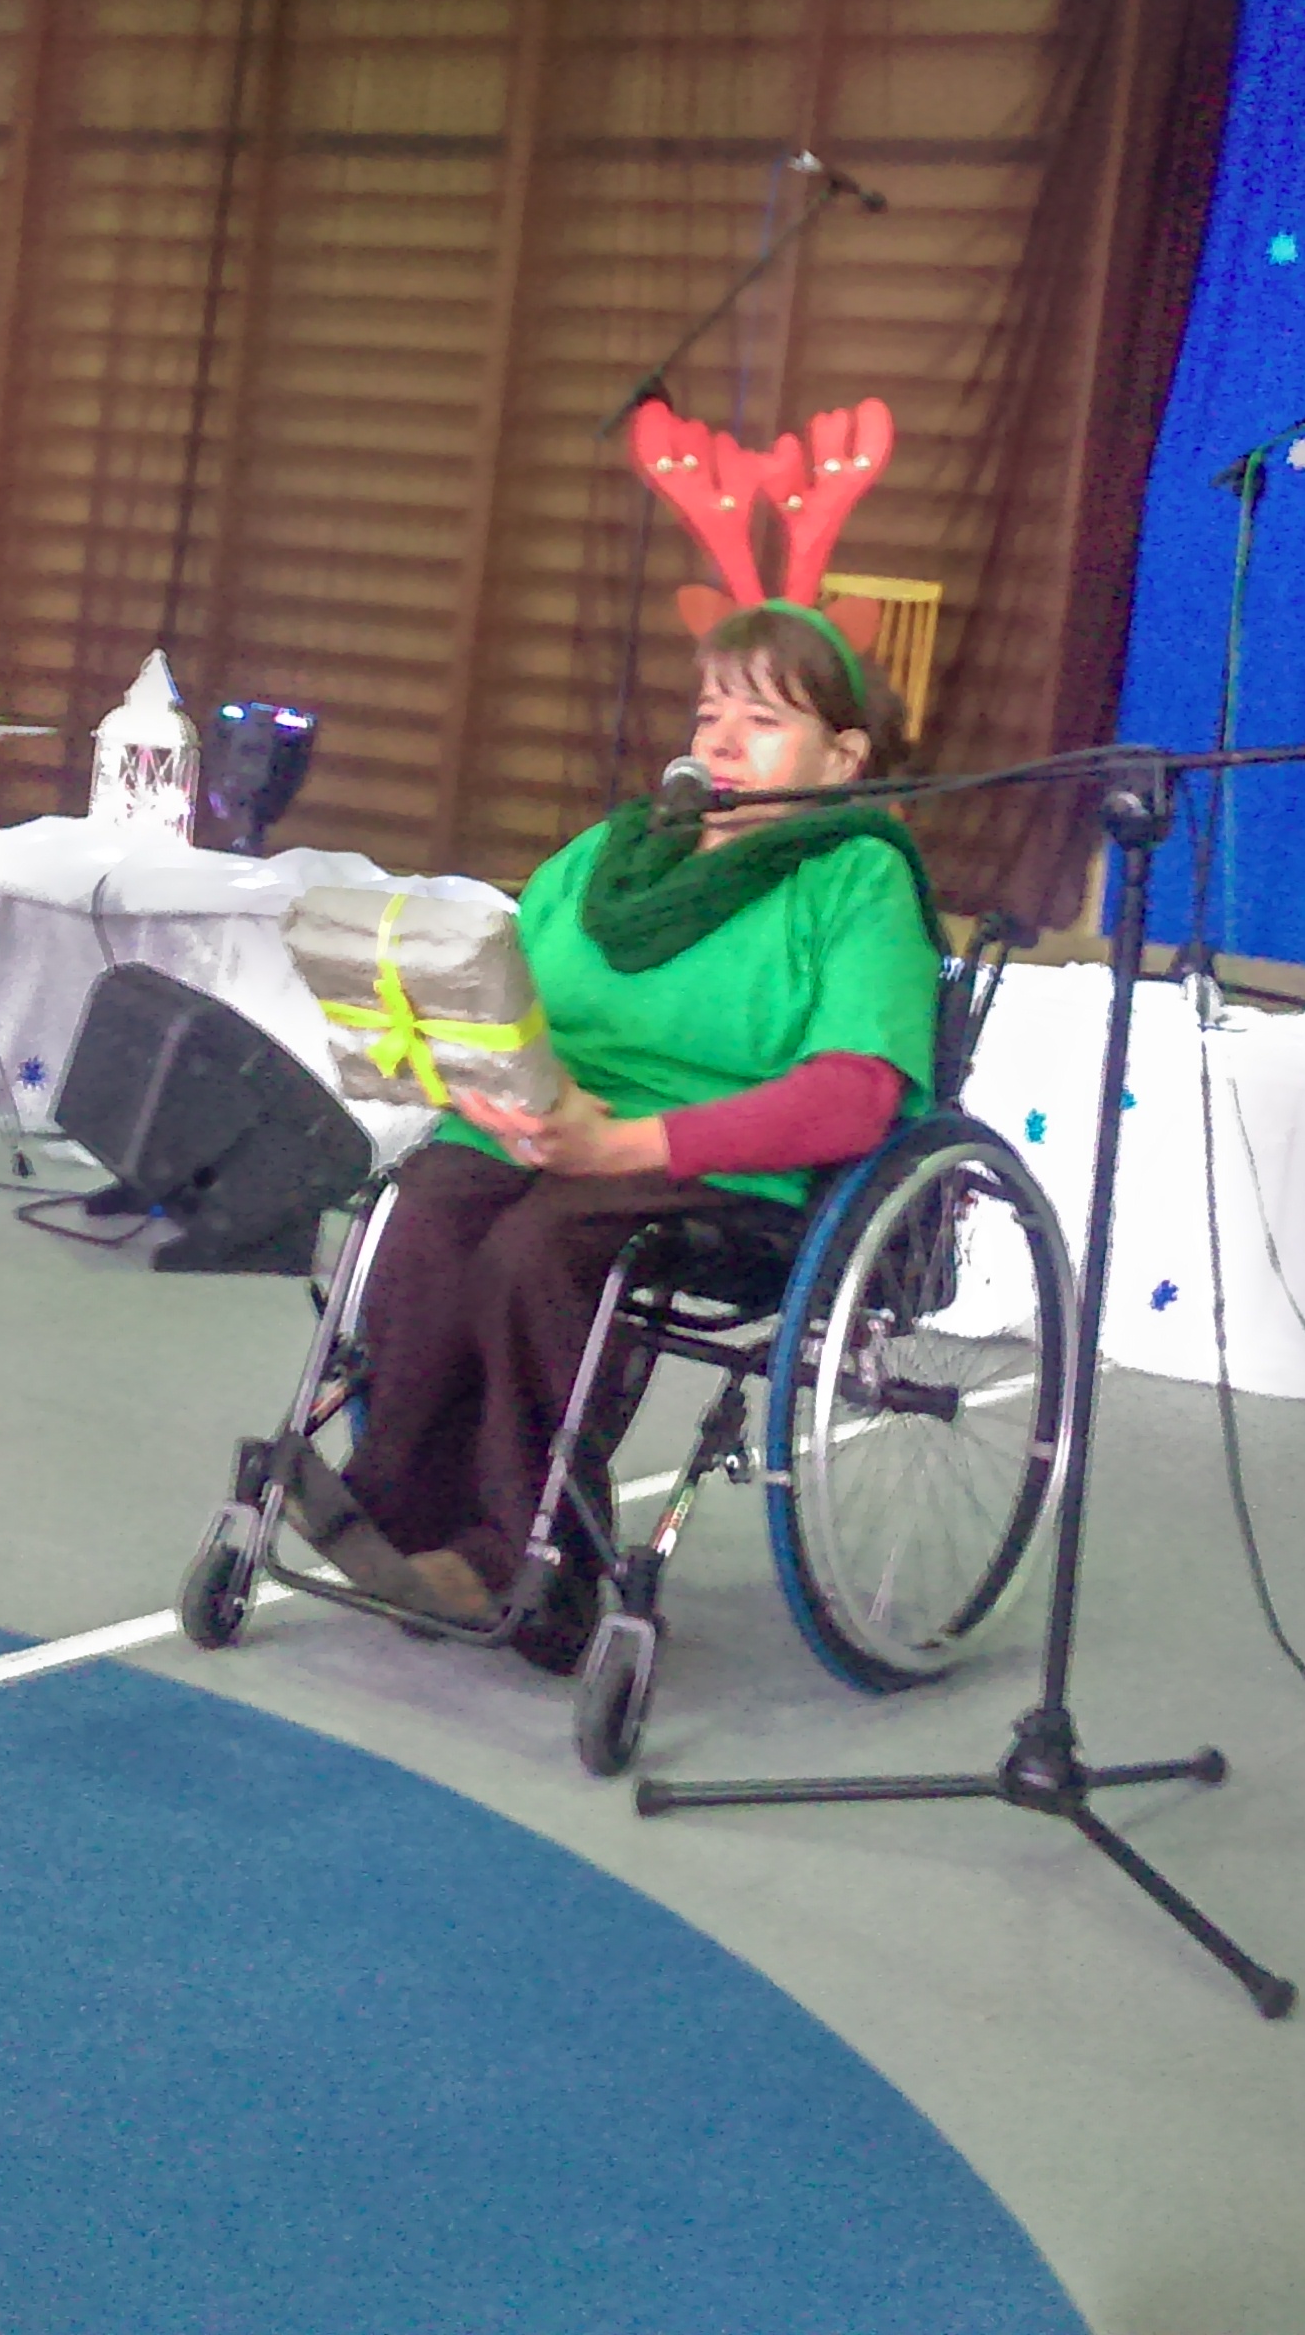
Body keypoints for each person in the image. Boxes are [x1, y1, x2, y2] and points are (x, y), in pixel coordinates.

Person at [280, 604, 937, 1672]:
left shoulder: (856, 876)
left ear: (844, 755)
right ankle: (397, 1512)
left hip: (718, 1159)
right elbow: (492, 997)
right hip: (544, 1126)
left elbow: (853, 1094)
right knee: (427, 1217)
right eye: (711, 712)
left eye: (763, 720)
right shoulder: (607, 856)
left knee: (538, 1249)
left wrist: (625, 1145)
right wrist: (481, 1086)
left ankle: (529, 1565)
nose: (722, 741)